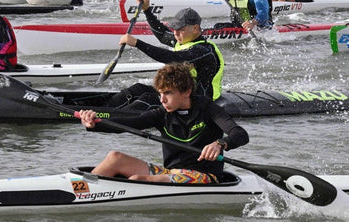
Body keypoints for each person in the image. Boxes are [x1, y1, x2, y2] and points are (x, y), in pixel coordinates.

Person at [78, 62, 249, 184]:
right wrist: (94, 123)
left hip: (204, 176)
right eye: (160, 93)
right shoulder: (162, 114)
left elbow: (240, 134)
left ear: (186, 91)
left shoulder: (209, 109)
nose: (162, 100)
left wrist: (220, 144)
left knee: (137, 180)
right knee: (114, 158)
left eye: (168, 93)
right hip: (170, 173)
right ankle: (82, 191)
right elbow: (127, 123)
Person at [108, 5, 224, 108]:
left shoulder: (203, 50)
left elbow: (171, 58)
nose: (176, 33)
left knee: (148, 99)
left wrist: (137, 43)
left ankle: (111, 118)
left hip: (199, 99)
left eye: (181, 30)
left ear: (195, 28)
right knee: (137, 89)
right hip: (179, 94)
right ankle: (104, 109)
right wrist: (147, 10)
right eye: (174, 29)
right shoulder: (182, 40)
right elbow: (162, 34)